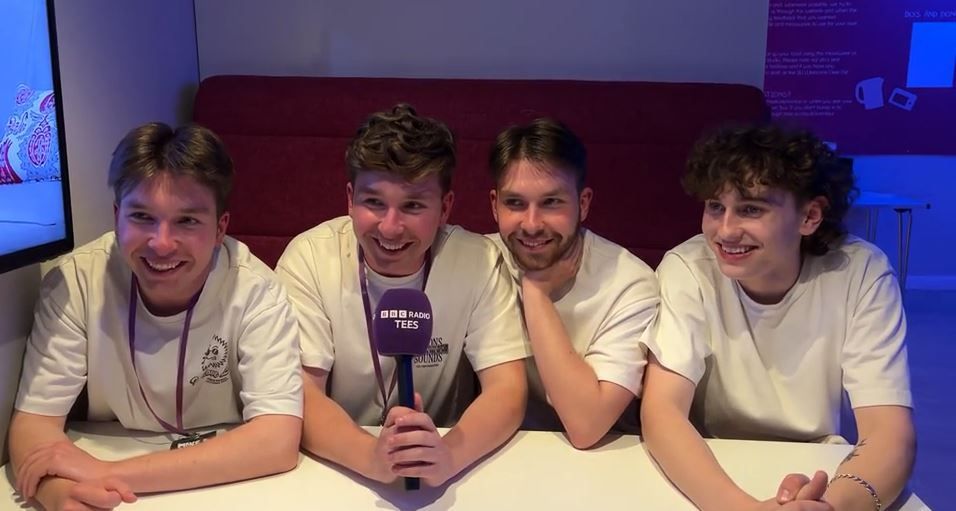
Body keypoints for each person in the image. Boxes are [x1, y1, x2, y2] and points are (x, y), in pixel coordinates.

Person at [9, 123, 304, 511]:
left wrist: (108, 473)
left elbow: (277, 441)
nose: (161, 243)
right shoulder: (76, 283)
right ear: (117, 217)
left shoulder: (256, 291)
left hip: (228, 488)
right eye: (143, 217)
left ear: (220, 228)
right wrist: (56, 492)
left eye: (187, 221)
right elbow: (35, 423)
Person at [641, 124, 914, 510]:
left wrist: (830, 506)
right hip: (711, 460)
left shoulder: (861, 272)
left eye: (750, 208)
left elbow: (889, 431)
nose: (725, 230)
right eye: (715, 207)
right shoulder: (688, 268)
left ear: (810, 216)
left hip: (818, 463)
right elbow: (662, 411)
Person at [276, 104, 528, 486]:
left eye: (412, 205)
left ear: (445, 208)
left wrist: (448, 456)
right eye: (373, 203)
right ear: (349, 198)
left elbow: (508, 389)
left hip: (443, 461)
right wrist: (370, 457)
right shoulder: (308, 258)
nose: (390, 228)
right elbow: (301, 393)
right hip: (335, 466)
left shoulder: (478, 260)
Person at [486, 118, 658, 448]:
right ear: (494, 205)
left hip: (606, 459)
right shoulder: (480, 261)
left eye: (551, 202)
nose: (532, 224)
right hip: (501, 449)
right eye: (515, 203)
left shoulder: (631, 283)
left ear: (583, 203)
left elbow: (586, 426)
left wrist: (536, 291)